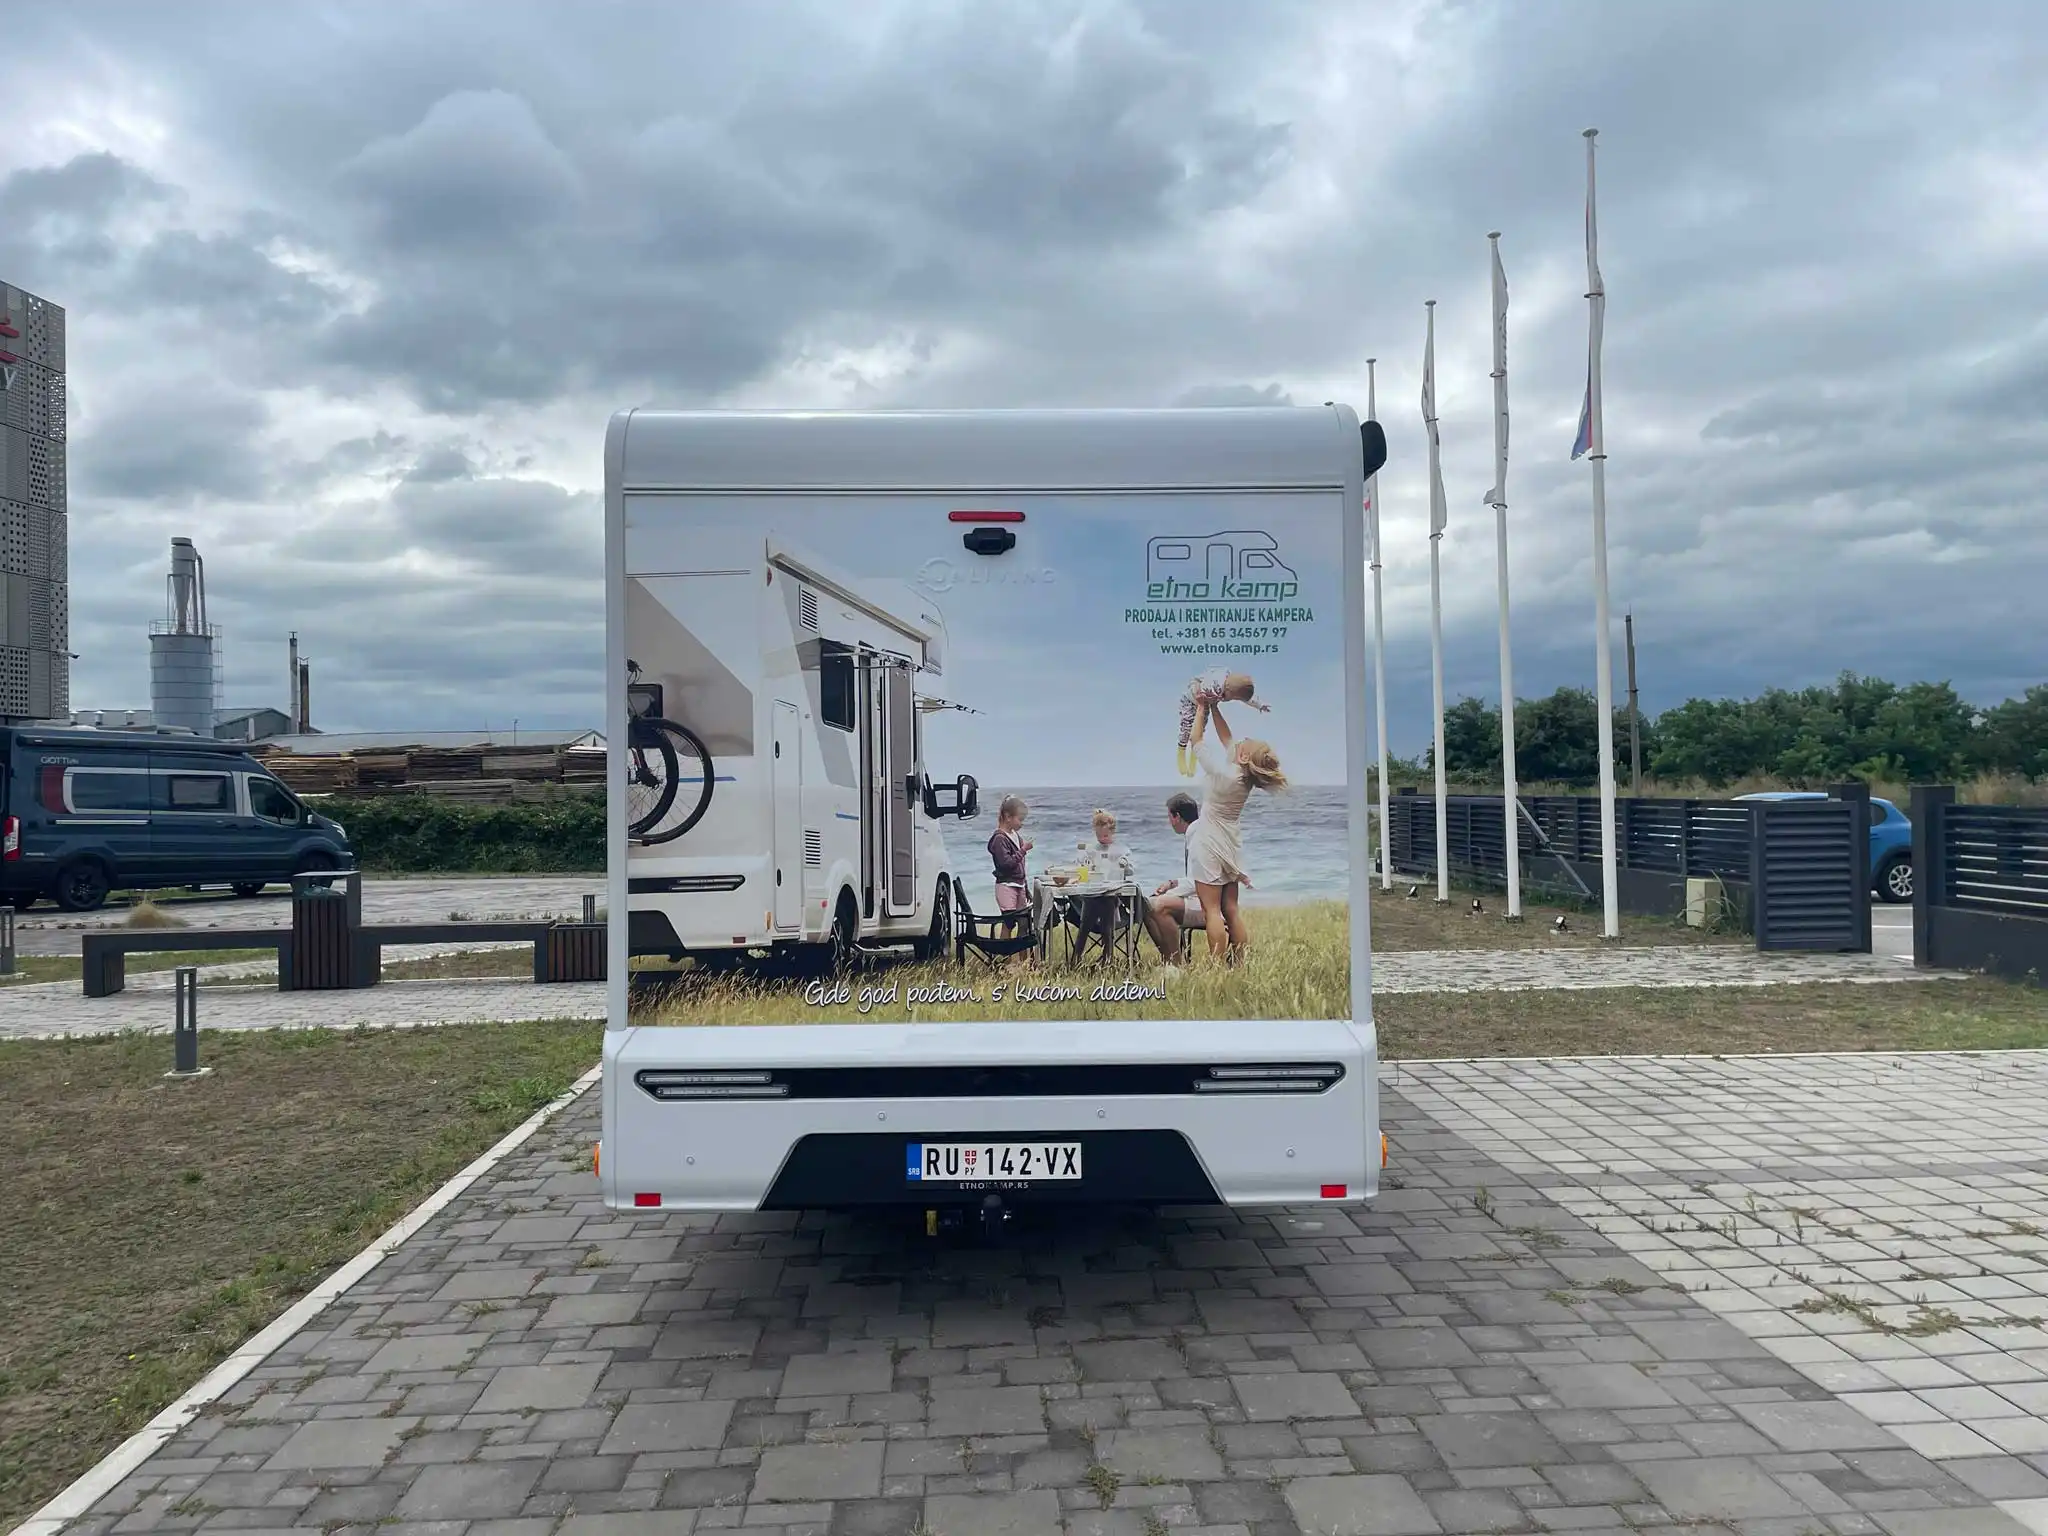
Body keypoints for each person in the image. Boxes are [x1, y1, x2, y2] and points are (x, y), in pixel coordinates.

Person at [1183, 701, 1286, 963]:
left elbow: (1196, 740)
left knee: (1212, 910)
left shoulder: (1223, 774)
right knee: (1231, 909)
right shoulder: (1243, 777)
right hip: (1230, 845)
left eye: (1245, 743)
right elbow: (1226, 737)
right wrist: (1214, 708)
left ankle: (1217, 967)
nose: (1241, 741)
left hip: (1209, 844)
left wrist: (1200, 708)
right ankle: (1238, 963)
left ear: (1243, 757)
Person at [1142, 792, 1208, 962]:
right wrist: (1172, 883)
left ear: (1177, 817)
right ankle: (1168, 960)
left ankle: (1175, 963)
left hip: (1209, 906)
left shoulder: (1198, 838)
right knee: (1146, 907)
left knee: (1160, 905)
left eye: (1170, 817)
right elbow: (1196, 876)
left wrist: (1169, 894)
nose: (1170, 822)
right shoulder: (1197, 832)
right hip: (1204, 898)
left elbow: (1197, 882)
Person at [1177, 668, 1268, 776]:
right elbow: (1200, 684)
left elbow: (1246, 698)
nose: (1246, 739)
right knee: (1187, 729)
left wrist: (1259, 705)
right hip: (1192, 701)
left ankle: (1193, 756)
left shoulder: (1230, 687)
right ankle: (1182, 751)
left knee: (1199, 730)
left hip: (1204, 703)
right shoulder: (1215, 686)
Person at [987, 795, 1032, 936]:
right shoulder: (999, 839)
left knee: (1024, 923)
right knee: (1009, 923)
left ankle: (1022, 950)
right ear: (1008, 817)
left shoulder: (1016, 836)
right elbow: (1006, 864)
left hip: (1019, 885)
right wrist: (1023, 850)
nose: (1022, 824)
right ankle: (1005, 949)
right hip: (1006, 886)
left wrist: (1026, 887)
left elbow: (1020, 866)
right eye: (1020, 819)